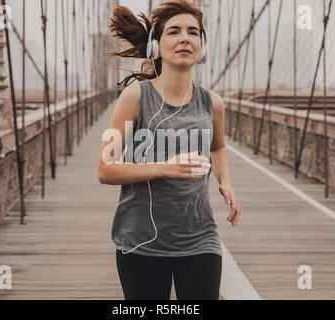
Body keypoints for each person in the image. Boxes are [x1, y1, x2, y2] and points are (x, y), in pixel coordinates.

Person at [98, 0, 241, 300]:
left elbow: (219, 146)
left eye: (193, 31)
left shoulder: (213, 103)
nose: (185, 38)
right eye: (174, 32)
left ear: (203, 45)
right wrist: (166, 167)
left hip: (200, 239)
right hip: (141, 242)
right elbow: (105, 169)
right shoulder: (135, 97)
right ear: (156, 46)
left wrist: (225, 182)